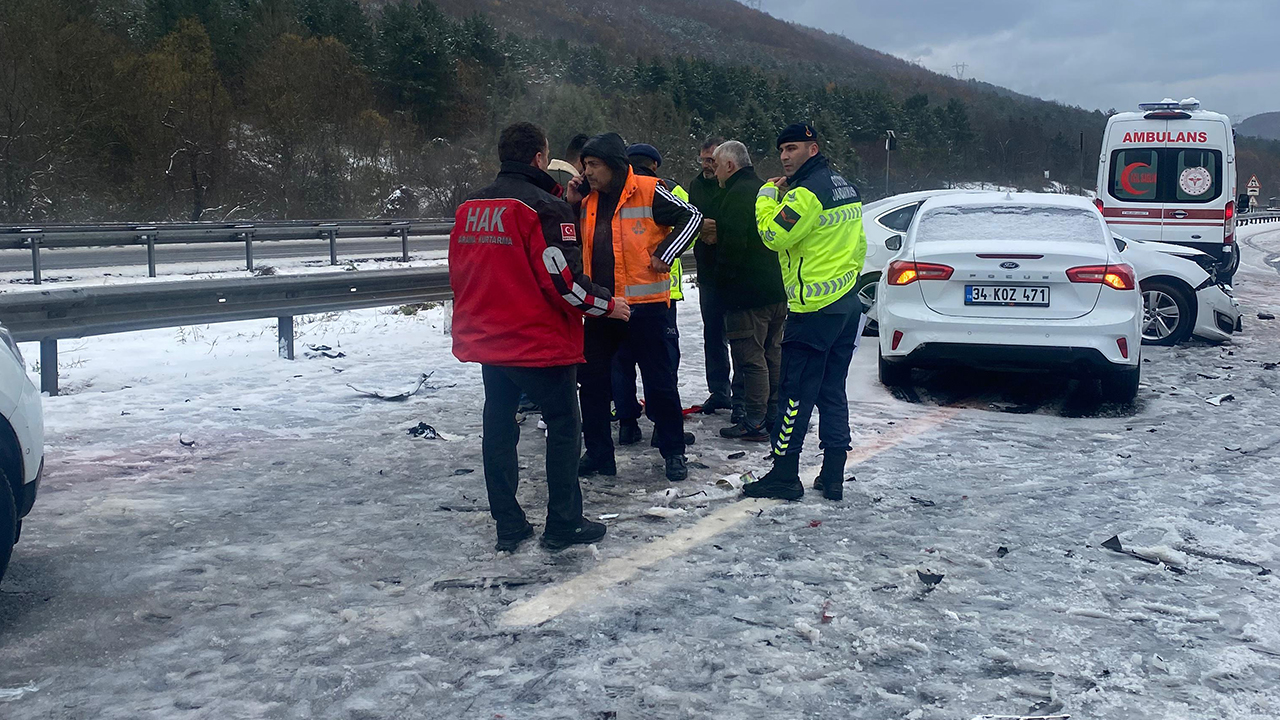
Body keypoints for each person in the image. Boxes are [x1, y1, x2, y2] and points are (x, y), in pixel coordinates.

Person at [449, 122, 631, 552]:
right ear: (538, 158)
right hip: (538, 343)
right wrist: (609, 305)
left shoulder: (470, 206)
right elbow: (564, 283)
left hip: (490, 342)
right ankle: (563, 521)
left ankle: (509, 524)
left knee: (498, 429)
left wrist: (561, 203)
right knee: (566, 427)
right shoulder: (544, 211)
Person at [566, 133, 701, 483]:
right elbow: (570, 237)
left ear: (612, 164)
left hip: (646, 306)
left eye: (593, 165)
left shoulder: (649, 188)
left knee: (659, 382)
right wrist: (570, 203)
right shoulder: (587, 197)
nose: (588, 172)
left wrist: (666, 253)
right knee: (593, 384)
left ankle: (673, 451)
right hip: (602, 306)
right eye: (585, 166)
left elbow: (693, 217)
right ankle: (598, 453)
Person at [743, 122, 868, 502]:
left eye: (792, 148)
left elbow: (772, 236)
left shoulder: (806, 195)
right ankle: (832, 475)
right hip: (845, 304)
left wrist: (765, 195)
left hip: (813, 310)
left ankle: (784, 474)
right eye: (781, 150)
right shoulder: (844, 186)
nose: (784, 156)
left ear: (812, 150)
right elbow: (860, 246)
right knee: (832, 391)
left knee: (794, 394)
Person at [611, 142, 695, 448]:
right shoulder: (668, 189)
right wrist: (666, 253)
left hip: (618, 296)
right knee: (662, 368)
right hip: (660, 296)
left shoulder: (612, 193)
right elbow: (693, 220)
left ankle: (627, 424)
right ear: (655, 166)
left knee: (621, 364)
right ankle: (664, 430)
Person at [709, 141, 787, 443]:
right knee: (772, 355)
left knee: (751, 359)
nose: (714, 171)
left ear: (730, 165)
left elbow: (732, 248)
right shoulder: (764, 191)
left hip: (747, 295)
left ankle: (754, 421)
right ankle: (774, 416)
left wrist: (721, 287)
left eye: (716, 164)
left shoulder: (735, 196)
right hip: (776, 290)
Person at [687, 137, 742, 420]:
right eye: (704, 160)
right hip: (708, 268)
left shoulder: (733, 185)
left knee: (741, 334)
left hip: (733, 269)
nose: (708, 166)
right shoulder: (696, 186)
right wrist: (700, 228)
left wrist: (719, 229)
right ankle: (719, 390)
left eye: (712, 161)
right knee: (713, 333)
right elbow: (689, 218)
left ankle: (743, 394)